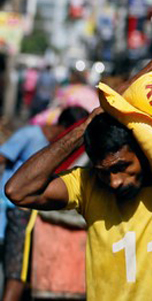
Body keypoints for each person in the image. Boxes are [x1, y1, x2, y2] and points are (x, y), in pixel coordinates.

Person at [4, 109, 152, 301]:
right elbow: (18, 190)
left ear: (142, 151)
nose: (115, 182)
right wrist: (82, 129)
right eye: (104, 172)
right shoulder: (88, 186)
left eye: (121, 167)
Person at [0, 106, 88, 301]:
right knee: (16, 274)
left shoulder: (53, 147)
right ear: (66, 128)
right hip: (15, 210)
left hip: (31, 213)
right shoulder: (30, 135)